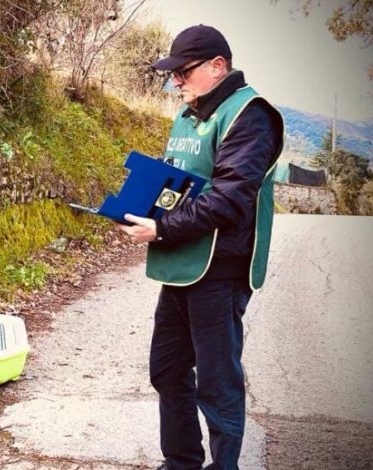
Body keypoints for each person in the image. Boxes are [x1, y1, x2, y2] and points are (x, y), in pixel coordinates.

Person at [118, 25, 284, 470]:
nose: (176, 82)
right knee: (167, 370)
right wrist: (135, 208)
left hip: (221, 270)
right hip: (182, 265)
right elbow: (178, 183)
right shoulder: (189, 113)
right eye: (173, 75)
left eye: (183, 72)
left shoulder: (250, 115)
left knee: (217, 384)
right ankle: (181, 463)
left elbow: (229, 199)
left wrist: (162, 229)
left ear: (218, 66)